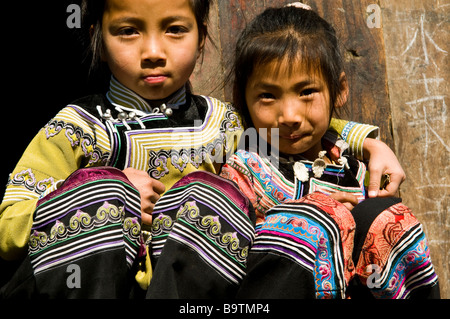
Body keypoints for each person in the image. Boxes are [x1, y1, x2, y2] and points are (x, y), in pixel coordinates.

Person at [0, 0, 405, 298]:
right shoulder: (75, 127)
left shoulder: (224, 124)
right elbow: (10, 228)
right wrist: (109, 189)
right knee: (103, 189)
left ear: (201, 34)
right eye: (128, 31)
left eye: (175, 29)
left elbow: (291, 121)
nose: (154, 51)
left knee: (216, 196)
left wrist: (367, 141)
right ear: (98, 39)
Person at [147, 5, 439, 299]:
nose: (289, 114)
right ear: (240, 97)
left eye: (306, 92)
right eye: (268, 96)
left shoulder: (360, 174)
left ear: (338, 90)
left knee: (389, 220)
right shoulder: (245, 169)